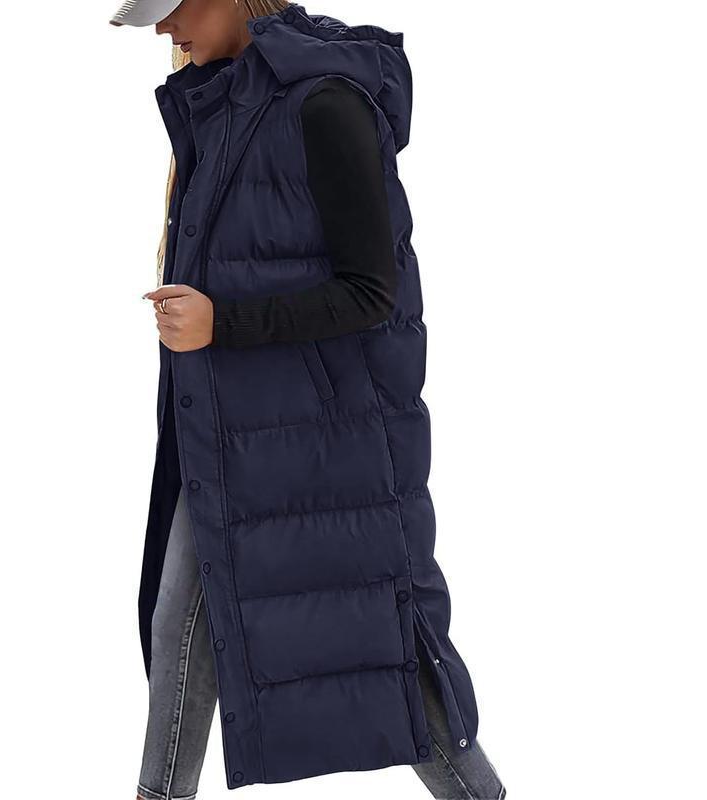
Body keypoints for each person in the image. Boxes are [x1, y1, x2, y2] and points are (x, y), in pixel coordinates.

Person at [110, 2, 506, 798]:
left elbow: (371, 291)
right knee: (179, 630)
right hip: (229, 439)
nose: (161, 28)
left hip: (325, 454)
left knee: (393, 667)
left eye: (173, 6)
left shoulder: (325, 100)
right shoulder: (224, 104)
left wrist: (221, 322)